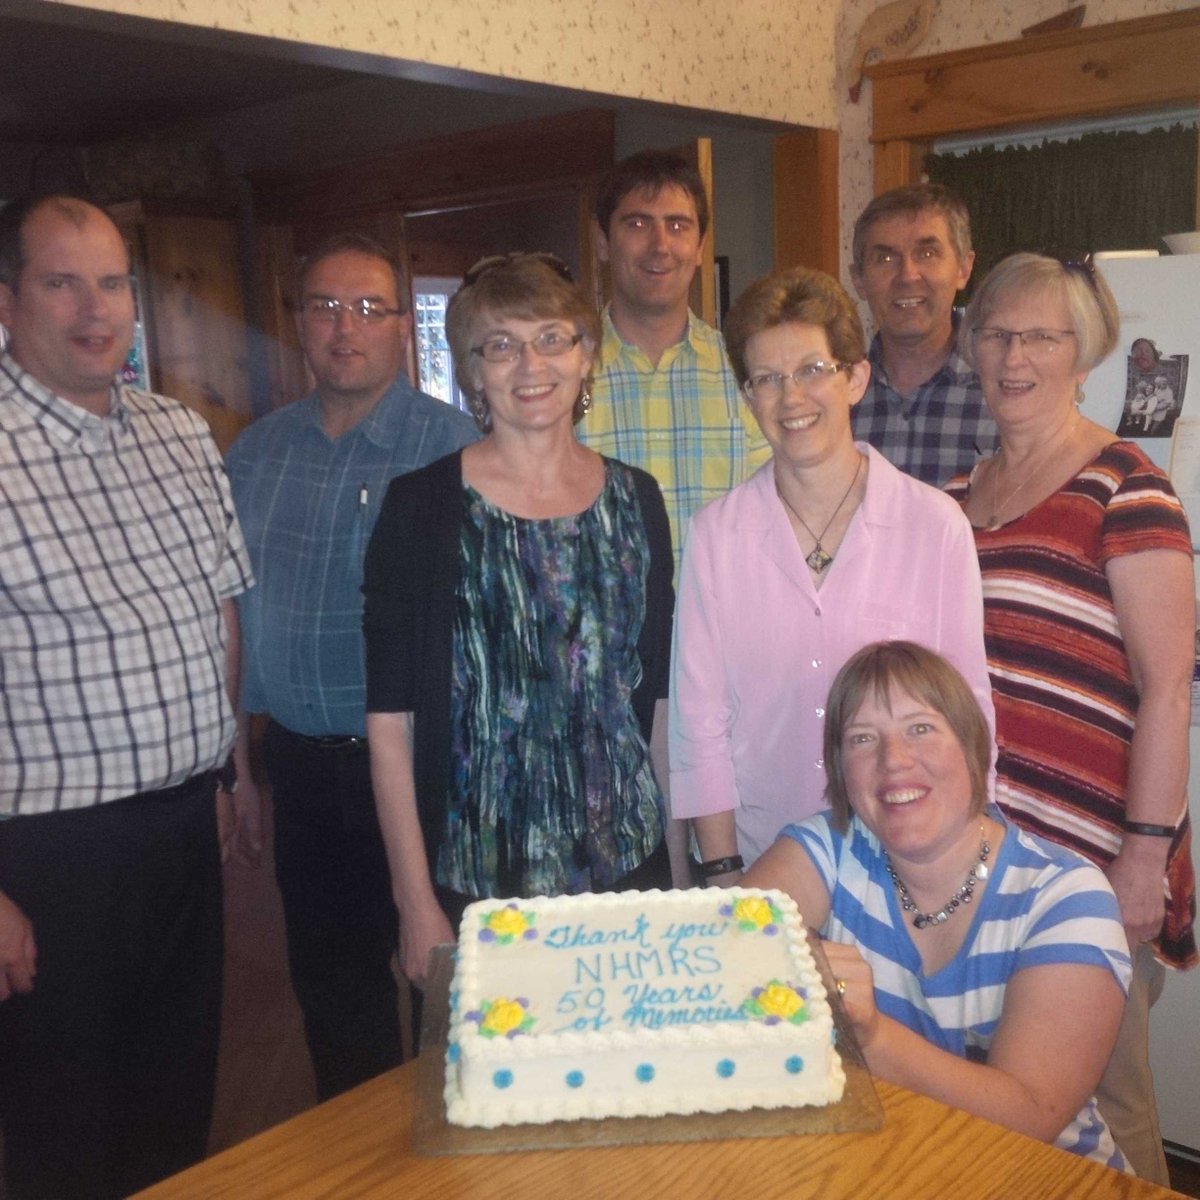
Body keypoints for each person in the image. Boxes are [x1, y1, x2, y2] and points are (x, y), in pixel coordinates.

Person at [0, 195, 253, 1198]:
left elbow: (218, 612)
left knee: (174, 1097)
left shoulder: (179, 432)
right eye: (61, 281)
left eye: (111, 282)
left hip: (185, 825)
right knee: (63, 1131)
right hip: (48, 855)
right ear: (10, 299)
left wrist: (230, 768)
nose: (93, 308)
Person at [946, 251, 1196, 1185]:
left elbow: (1170, 686)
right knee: (1008, 1107)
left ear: (1082, 353)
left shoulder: (1126, 484)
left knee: (1108, 1100)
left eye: (1041, 336)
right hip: (985, 857)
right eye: (998, 333)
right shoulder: (950, 502)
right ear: (971, 348)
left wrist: (1142, 858)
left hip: (1095, 857)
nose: (1016, 355)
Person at [363, 253, 674, 993]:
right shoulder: (419, 509)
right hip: (476, 882)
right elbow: (390, 724)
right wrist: (413, 903)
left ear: (586, 353)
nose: (529, 364)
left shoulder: (639, 502)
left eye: (552, 337)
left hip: (626, 871)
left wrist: (683, 875)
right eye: (499, 345)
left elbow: (655, 704)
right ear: (471, 372)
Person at [225, 233, 477, 1100]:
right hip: (299, 762)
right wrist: (242, 767)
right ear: (298, 322)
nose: (347, 327)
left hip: (423, 768)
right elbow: (233, 614)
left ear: (407, 328)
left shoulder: (455, 451)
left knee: (445, 982)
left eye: (370, 308)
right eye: (326, 306)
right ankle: (361, 1164)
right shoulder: (256, 452)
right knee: (333, 988)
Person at [746, 641, 1132, 1171]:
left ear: (974, 747)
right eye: (862, 739)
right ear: (840, 771)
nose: (893, 760)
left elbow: (1030, 1118)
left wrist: (871, 1034)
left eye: (920, 728)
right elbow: (722, 952)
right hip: (888, 1165)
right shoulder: (828, 850)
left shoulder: (1065, 896)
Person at [670, 266, 994, 885]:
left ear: (855, 378)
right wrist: (723, 874)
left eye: (812, 371)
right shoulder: (714, 536)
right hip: (762, 862)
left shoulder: (935, 525)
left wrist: (965, 859)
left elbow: (968, 709)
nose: (790, 398)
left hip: (908, 860)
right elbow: (700, 724)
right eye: (767, 379)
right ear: (748, 398)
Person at [578, 149, 769, 574]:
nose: (660, 245)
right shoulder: (565, 377)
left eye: (678, 226)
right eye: (638, 223)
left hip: (728, 634)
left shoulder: (748, 372)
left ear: (700, 246)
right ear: (603, 242)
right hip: (606, 637)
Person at [849, 183, 998, 486]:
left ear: (964, 269)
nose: (907, 275)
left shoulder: (1004, 393)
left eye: (927, 253)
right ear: (859, 280)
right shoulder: (833, 401)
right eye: (886, 259)